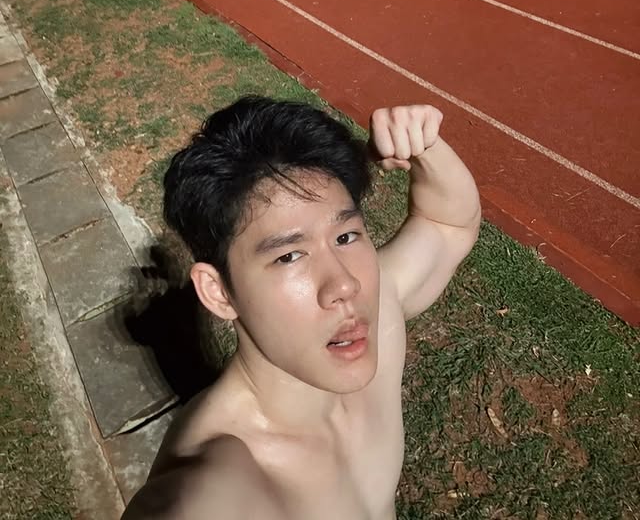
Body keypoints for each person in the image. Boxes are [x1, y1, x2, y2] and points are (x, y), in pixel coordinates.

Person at [122, 96, 481, 519]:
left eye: (345, 237)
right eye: (289, 256)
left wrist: (423, 147)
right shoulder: (220, 479)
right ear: (218, 292)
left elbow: (446, 224)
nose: (345, 285)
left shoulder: (377, 316)